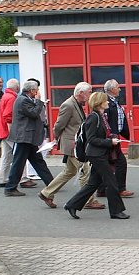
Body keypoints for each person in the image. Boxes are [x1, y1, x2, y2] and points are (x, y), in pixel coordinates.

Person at [38, 82, 104, 210]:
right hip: (72, 145)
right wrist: (57, 138)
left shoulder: (77, 104)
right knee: (85, 171)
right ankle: (88, 200)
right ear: (81, 93)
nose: (90, 95)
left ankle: (46, 193)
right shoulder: (68, 105)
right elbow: (58, 125)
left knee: (69, 171)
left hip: (75, 144)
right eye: (89, 92)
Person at [64, 92, 129, 219]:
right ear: (100, 103)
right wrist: (109, 142)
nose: (108, 102)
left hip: (100, 154)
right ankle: (116, 211)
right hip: (96, 155)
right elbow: (92, 139)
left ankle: (72, 205)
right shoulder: (93, 118)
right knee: (111, 182)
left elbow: (101, 135)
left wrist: (111, 138)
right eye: (105, 100)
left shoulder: (101, 116)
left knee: (93, 183)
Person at [3, 80, 54, 196]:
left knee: (38, 162)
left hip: (28, 137)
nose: (38, 92)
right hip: (24, 137)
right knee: (18, 163)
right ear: (32, 90)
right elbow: (34, 113)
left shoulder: (25, 99)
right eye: (37, 90)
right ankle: (10, 188)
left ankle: (52, 184)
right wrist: (39, 101)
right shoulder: (23, 100)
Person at [102, 79, 134, 197]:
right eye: (117, 87)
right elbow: (105, 121)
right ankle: (120, 189)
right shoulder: (106, 102)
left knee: (109, 163)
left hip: (115, 137)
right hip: (110, 138)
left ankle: (103, 189)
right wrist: (109, 137)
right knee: (120, 162)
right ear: (111, 89)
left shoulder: (115, 101)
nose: (120, 89)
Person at [0, 78, 20, 188]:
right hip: (9, 131)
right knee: (19, 154)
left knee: (6, 156)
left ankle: (3, 179)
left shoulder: (5, 96)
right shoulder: (12, 98)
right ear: (17, 87)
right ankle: (23, 178)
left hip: (3, 130)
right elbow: (8, 116)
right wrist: (12, 132)